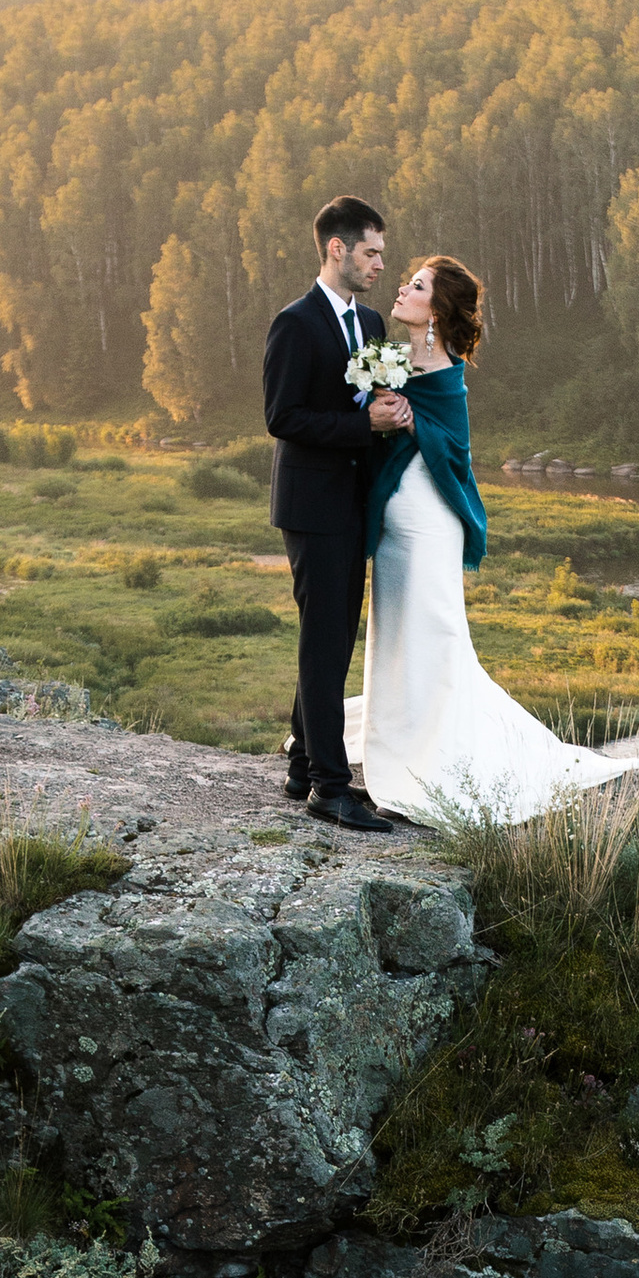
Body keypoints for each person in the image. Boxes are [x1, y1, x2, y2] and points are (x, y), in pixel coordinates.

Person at [353, 253, 639, 825]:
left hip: (426, 518)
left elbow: (456, 454)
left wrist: (414, 423)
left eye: (415, 286)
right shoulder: (388, 360)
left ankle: (434, 750)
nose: (401, 288)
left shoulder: (446, 373)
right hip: (394, 517)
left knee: (432, 626)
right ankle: (394, 734)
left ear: (436, 310)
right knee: (393, 627)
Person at [262, 194, 411, 831]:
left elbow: (373, 402)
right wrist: (361, 425)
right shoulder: (295, 323)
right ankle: (330, 785)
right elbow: (282, 417)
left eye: (382, 252)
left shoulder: (371, 322)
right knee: (324, 643)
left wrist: (394, 415)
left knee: (333, 638)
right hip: (313, 506)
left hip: (354, 504)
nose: (381, 263)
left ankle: (302, 765)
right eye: (371, 252)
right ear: (337, 249)